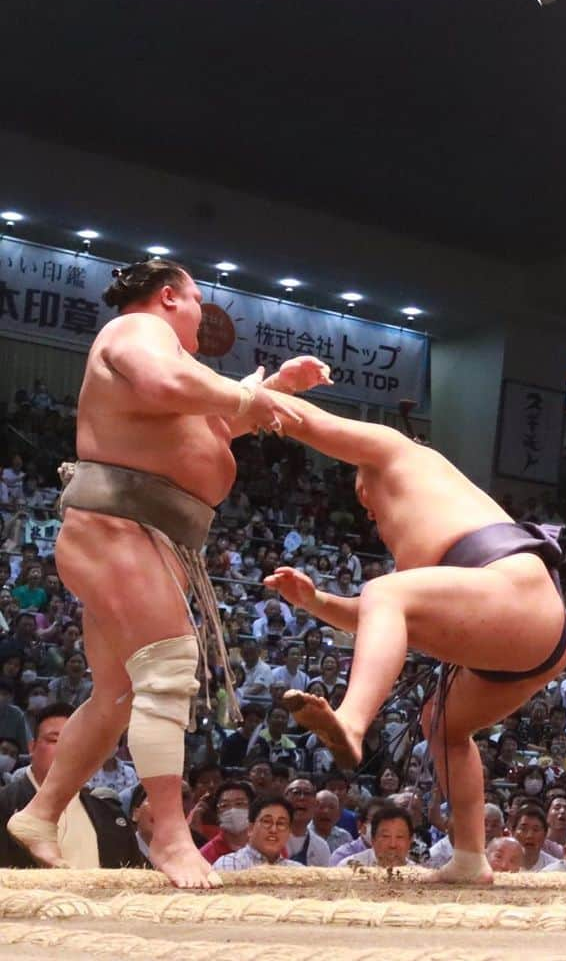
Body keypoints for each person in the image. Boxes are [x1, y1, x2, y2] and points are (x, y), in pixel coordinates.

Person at [6, 257, 327, 889]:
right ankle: (175, 838)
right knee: (169, 664)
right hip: (117, 524)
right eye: (198, 303)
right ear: (169, 295)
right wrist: (246, 391)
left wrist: (276, 390)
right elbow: (167, 385)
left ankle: (40, 815)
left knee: (118, 694)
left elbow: (211, 427)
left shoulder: (176, 369)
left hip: (141, 534)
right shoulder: (136, 333)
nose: (203, 319)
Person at [262, 396, 566, 885]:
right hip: (527, 633)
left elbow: (310, 422)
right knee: (443, 725)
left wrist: (257, 392)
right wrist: (314, 600)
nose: (362, 503)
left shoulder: (397, 451)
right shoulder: (417, 549)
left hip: (515, 590)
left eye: (358, 488)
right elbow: (381, 617)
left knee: (385, 592)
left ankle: (352, 721)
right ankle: (471, 859)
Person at [0, 703, 145, 869]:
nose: (65, 748)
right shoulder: (4, 804)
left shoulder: (110, 814)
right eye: (54, 740)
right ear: (32, 747)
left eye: (77, 742)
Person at [211, 796, 304, 871]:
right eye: (267, 822)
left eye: (281, 823)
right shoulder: (229, 865)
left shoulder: (298, 871)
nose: (274, 829)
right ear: (250, 828)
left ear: (289, 832)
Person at [340, 804, 416, 869]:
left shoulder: (418, 875)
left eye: (400, 837)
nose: (393, 845)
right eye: (386, 836)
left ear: (410, 841)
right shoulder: (348, 867)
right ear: (373, 839)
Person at [198, 780, 254, 864]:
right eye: (224, 805)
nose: (232, 810)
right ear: (217, 814)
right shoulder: (204, 856)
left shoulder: (267, 847)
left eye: (239, 804)